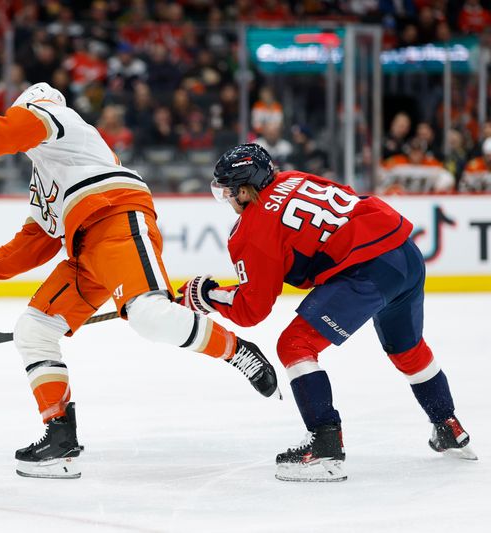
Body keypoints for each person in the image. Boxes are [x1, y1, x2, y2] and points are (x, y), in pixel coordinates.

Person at [0, 83, 279, 479]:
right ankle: (60, 436)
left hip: (116, 220)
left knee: (150, 317)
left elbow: (20, 125)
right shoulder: (45, 171)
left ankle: (237, 351)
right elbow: (36, 241)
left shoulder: (62, 122)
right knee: (34, 330)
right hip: (83, 250)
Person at [177, 143, 477, 482]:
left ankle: (324, 445)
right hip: (404, 253)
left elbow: (252, 309)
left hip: (368, 270)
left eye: (229, 191)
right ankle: (448, 425)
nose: (228, 199)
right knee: (407, 349)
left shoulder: (253, 227)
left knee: (294, 345)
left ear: (244, 190)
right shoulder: (293, 178)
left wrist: (206, 295)